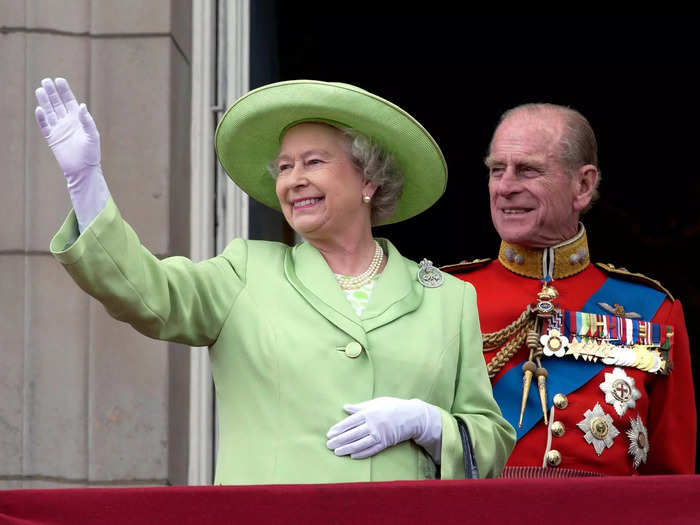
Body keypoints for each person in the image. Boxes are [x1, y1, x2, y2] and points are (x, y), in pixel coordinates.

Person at [34, 77, 515, 485]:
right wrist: (86, 184)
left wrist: (429, 425)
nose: (293, 180)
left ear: (369, 180)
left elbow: (491, 445)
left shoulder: (448, 299)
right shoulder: (246, 271)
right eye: (285, 167)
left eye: (314, 162)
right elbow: (147, 292)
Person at [442, 103, 696, 477]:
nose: (506, 186)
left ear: (583, 185)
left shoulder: (652, 310)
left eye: (527, 170)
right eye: (497, 170)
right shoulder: (445, 294)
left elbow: (673, 481)